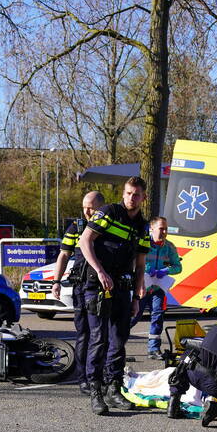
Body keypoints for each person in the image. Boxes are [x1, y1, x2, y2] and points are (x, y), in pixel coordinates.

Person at [77, 177, 150, 415]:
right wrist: (99, 271)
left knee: (118, 341)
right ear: (123, 193)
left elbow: (140, 263)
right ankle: (95, 390)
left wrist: (138, 295)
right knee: (99, 339)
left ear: (143, 197)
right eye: (128, 193)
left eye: (136, 194)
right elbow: (85, 240)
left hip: (122, 288)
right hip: (97, 285)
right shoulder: (109, 212)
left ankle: (114, 388)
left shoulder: (142, 225)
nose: (131, 198)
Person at [49, 191, 104, 394]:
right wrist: (56, 281)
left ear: (101, 207)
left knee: (102, 335)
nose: (87, 211)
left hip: (104, 287)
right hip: (82, 287)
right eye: (84, 207)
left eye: (91, 207)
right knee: (84, 335)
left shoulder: (109, 226)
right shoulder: (77, 227)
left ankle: (99, 375)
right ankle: (83, 379)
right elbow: (64, 254)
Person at [131, 216, 182, 360]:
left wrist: (165, 271)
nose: (164, 231)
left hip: (158, 289)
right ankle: (115, 345)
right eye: (161, 228)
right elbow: (134, 263)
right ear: (151, 229)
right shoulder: (143, 243)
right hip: (141, 286)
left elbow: (178, 267)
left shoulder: (169, 247)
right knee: (133, 316)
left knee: (158, 316)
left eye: (166, 229)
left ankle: (153, 349)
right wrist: (144, 277)